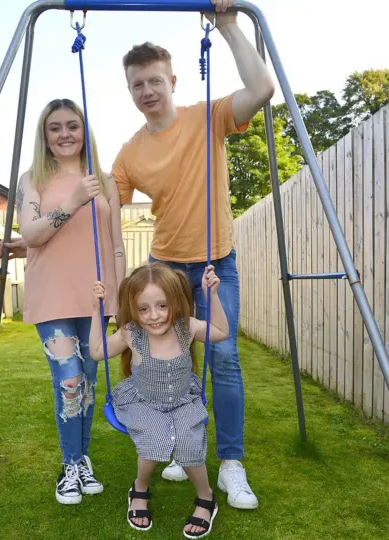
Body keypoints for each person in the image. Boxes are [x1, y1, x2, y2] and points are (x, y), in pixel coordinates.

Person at [110, 0, 274, 509]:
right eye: (137, 84)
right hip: (164, 269)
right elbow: (100, 212)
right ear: (130, 90)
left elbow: (263, 90)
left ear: (174, 79)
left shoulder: (209, 115)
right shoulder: (130, 151)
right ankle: (181, 445)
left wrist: (227, 27)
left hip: (212, 263)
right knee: (172, 362)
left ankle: (230, 463)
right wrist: (36, 236)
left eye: (154, 80)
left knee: (223, 359)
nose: (146, 91)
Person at [15, 98, 126, 505]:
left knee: (90, 384)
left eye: (72, 126)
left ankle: (82, 461)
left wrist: (119, 297)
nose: (65, 135)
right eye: (55, 127)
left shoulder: (105, 180)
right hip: (52, 294)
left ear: (84, 131)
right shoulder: (33, 179)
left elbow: (116, 245)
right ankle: (70, 465)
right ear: (45, 136)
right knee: (69, 381)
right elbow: (31, 234)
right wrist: (73, 200)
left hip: (95, 295)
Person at [89, 262, 228, 538]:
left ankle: (206, 497)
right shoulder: (131, 333)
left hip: (182, 400)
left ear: (176, 302)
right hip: (143, 401)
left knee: (189, 444)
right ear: (134, 308)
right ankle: (139, 489)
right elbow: (96, 351)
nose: (154, 316)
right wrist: (96, 310)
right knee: (154, 440)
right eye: (144, 309)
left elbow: (220, 332)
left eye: (162, 306)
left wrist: (212, 296)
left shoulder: (185, 327)